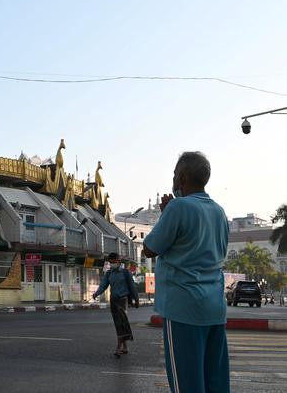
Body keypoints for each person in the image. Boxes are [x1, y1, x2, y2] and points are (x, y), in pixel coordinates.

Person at [143, 151, 230, 393]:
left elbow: (150, 248)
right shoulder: (219, 211)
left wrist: (166, 214)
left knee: (187, 385)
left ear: (181, 178)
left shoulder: (178, 207)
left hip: (184, 308)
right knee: (216, 382)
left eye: (174, 175)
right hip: (215, 308)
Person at [92, 252, 138, 357]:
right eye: (110, 262)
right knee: (120, 324)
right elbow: (103, 285)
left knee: (120, 323)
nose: (112, 264)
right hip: (113, 300)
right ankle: (125, 347)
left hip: (123, 300)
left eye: (114, 262)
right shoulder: (109, 273)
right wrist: (96, 293)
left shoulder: (125, 272)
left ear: (119, 261)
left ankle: (118, 347)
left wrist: (137, 300)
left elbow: (132, 286)